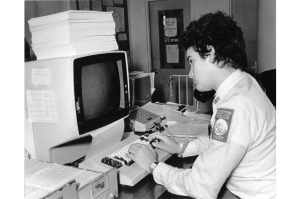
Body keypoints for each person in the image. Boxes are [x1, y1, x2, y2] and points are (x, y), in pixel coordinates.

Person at [126, 11, 277, 199]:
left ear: (210, 52)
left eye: (192, 61)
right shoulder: (245, 83)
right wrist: (181, 148)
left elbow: (201, 187)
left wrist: (153, 166)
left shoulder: (235, 107)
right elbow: (224, 142)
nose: (190, 73)